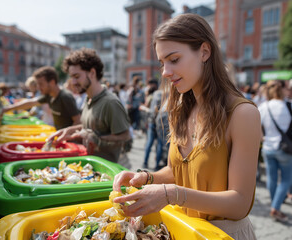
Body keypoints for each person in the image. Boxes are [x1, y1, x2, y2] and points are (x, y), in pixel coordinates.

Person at [112, 14, 261, 240]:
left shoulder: (243, 114)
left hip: (224, 234)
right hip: (182, 230)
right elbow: (178, 171)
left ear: (204, 52)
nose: (165, 72)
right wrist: (145, 178)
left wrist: (171, 194)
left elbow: (239, 203)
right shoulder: (181, 107)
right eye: (162, 63)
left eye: (174, 59)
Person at [47, 48, 131, 163]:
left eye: (76, 76)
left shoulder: (110, 103)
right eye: (71, 77)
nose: (73, 82)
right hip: (91, 167)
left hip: (109, 171)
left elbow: (125, 136)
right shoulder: (88, 99)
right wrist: (69, 130)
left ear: (92, 73)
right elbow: (90, 128)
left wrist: (96, 139)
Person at [2, 66, 81, 130]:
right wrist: (8, 108)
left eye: (41, 84)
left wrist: (66, 135)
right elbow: (31, 102)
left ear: (52, 82)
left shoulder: (65, 97)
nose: (38, 88)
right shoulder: (49, 96)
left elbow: (77, 121)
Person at [258, 80, 292, 222]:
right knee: (286, 179)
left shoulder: (263, 107)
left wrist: (263, 138)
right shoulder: (289, 105)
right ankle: (275, 207)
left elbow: (257, 127)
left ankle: (275, 204)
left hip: (268, 147)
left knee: (271, 179)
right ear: (282, 91)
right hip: (285, 148)